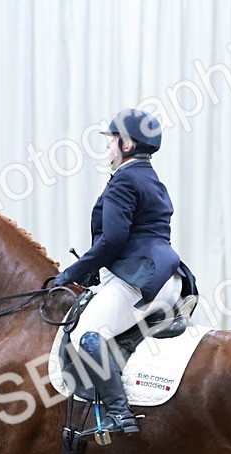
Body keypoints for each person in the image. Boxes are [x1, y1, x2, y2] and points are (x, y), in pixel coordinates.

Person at [53, 108, 187, 436]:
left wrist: (73, 271)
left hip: (140, 281)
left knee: (89, 334)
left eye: (112, 141)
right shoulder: (152, 178)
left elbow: (113, 240)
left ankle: (118, 414)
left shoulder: (123, 180)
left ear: (126, 144)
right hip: (169, 277)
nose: (107, 148)